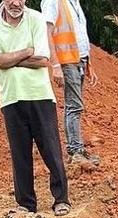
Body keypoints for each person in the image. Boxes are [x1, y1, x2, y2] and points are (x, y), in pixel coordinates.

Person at [0, 0, 69, 215]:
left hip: (40, 94)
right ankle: (26, 204)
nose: (15, 3)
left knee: (51, 150)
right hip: (11, 96)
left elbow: (42, 59)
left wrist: (8, 59)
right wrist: (26, 52)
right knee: (19, 153)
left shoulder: (36, 18)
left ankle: (61, 199)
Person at [40, 0, 94, 161]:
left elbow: (80, 34)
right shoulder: (53, 1)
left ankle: (76, 147)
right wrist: (55, 65)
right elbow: (47, 32)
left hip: (79, 60)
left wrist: (88, 63)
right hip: (67, 61)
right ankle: (75, 150)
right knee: (74, 106)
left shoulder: (75, 2)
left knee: (74, 105)